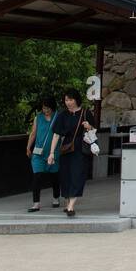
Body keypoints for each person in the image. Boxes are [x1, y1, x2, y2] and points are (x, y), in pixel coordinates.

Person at [47, 88, 95, 217]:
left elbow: (94, 131)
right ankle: (68, 202)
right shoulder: (63, 115)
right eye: (66, 100)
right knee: (66, 176)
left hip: (81, 149)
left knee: (77, 175)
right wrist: (51, 153)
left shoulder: (85, 113)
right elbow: (56, 135)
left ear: (76, 99)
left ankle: (71, 207)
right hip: (66, 148)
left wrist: (88, 127)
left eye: (71, 99)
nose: (68, 102)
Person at [26, 94, 62, 212]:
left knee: (54, 177)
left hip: (53, 153)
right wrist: (28, 146)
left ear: (52, 107)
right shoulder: (38, 117)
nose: (45, 110)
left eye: (47, 108)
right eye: (43, 108)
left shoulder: (58, 117)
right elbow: (33, 132)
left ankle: (56, 198)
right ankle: (36, 203)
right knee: (37, 177)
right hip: (38, 153)